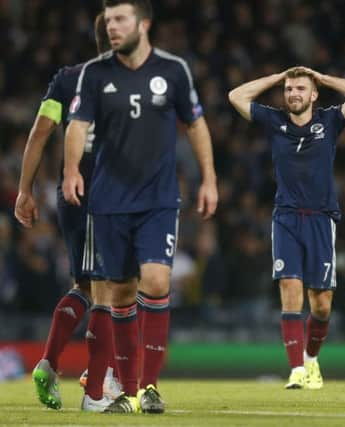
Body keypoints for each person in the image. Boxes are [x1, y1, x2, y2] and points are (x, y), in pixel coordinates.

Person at [62, 0, 218, 414]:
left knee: (156, 279)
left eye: (121, 19)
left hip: (158, 199)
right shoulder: (96, 74)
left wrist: (209, 178)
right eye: (108, 20)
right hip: (109, 200)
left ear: (143, 24)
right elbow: (76, 126)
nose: (112, 27)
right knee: (122, 293)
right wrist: (71, 170)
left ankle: (149, 385)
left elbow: (197, 124)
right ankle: (128, 392)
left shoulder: (172, 70)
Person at [228, 66, 345, 389]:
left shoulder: (330, 121)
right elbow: (235, 96)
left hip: (321, 219)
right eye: (289, 89)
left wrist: (323, 77)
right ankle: (295, 370)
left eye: (300, 89)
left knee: (321, 304)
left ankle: (310, 360)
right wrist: (275, 78)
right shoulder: (273, 120)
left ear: (313, 94)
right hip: (287, 218)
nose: (293, 94)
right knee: (290, 290)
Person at [14, 13, 121, 412]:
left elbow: (41, 130)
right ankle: (96, 390)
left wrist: (26, 190)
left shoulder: (66, 78)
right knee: (107, 292)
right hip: (101, 195)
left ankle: (51, 364)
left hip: (73, 194)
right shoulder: (123, 82)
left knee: (90, 286)